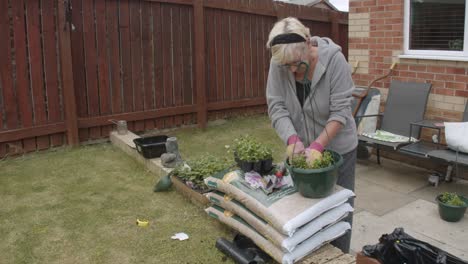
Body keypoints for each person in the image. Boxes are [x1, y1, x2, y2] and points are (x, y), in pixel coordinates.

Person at [265, 17, 357, 253]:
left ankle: (340, 256)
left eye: (297, 62)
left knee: (338, 211)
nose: (292, 70)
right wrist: (292, 139)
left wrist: (318, 145)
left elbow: (340, 111)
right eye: (287, 66)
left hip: (339, 150)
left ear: (308, 42)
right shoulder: (280, 62)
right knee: (306, 211)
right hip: (303, 151)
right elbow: (277, 107)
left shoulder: (334, 60)